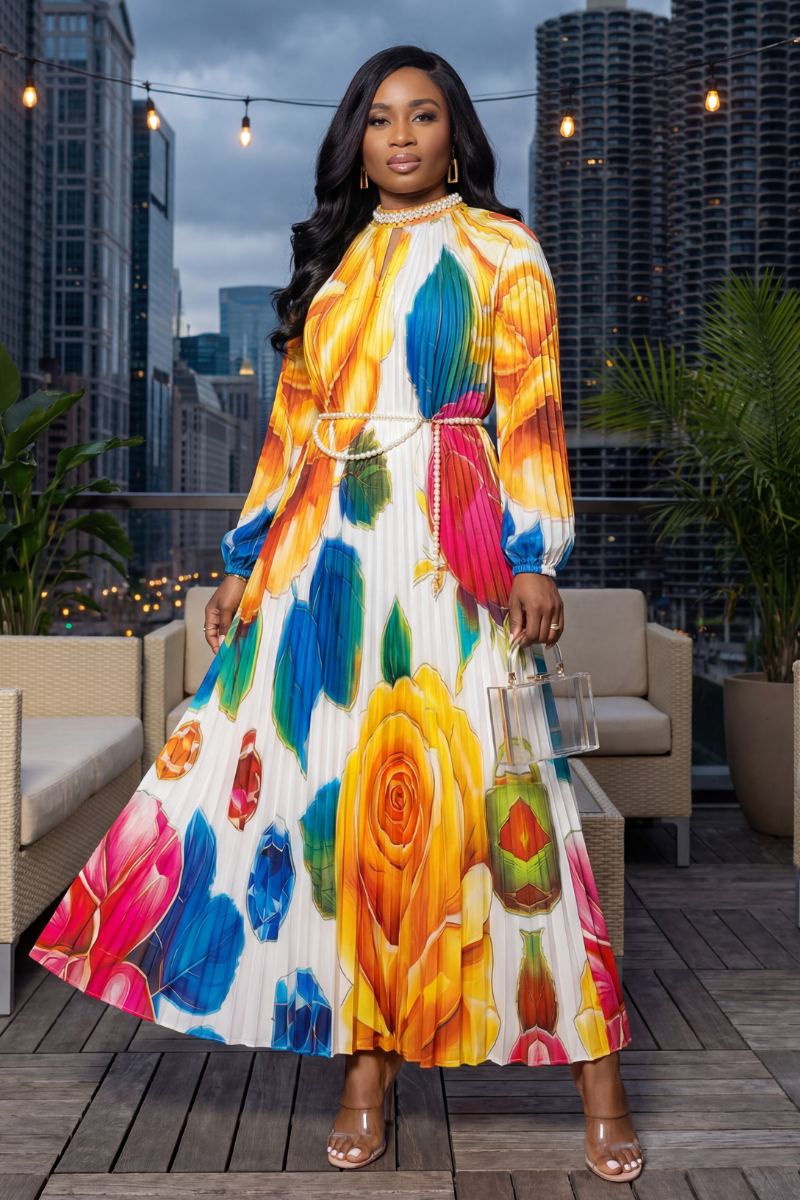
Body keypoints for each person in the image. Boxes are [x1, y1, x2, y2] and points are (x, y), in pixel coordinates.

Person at [31, 45, 642, 1185]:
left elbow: (532, 415)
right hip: (327, 557)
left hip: (455, 552)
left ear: (454, 132)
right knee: (342, 812)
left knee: (507, 800)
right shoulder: (336, 264)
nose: (399, 136)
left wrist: (536, 553)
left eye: (420, 116)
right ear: (356, 142)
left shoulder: (503, 251)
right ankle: (365, 1068)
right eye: (377, 119)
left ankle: (596, 1068)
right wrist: (246, 557)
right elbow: (290, 429)